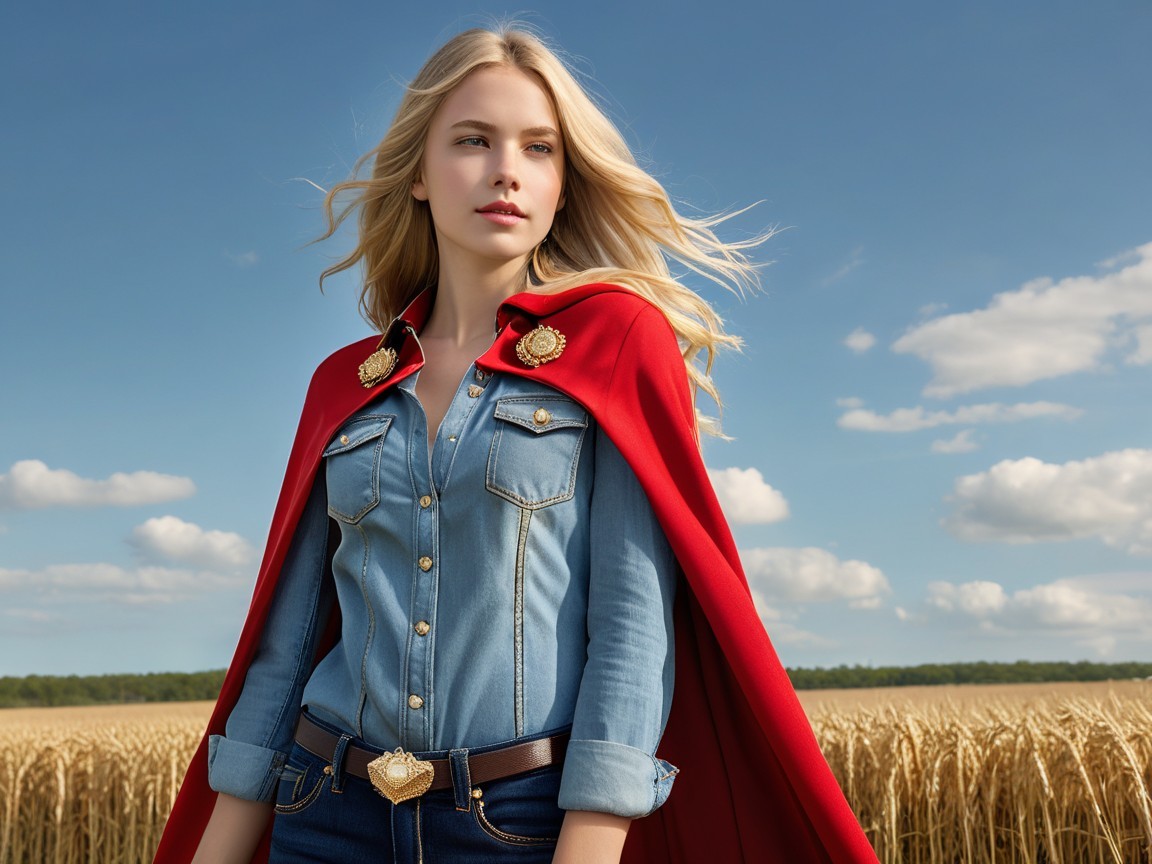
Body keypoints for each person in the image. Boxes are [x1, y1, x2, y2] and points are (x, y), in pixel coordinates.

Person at [156, 25, 879, 864]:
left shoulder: (616, 342)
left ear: (563, 186)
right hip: (321, 809)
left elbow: (632, 629)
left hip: (517, 825)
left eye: (539, 149)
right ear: (420, 175)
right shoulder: (343, 384)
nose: (507, 169)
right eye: (473, 140)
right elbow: (288, 642)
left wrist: (591, 842)